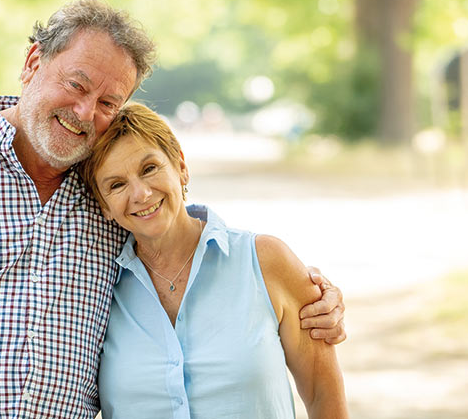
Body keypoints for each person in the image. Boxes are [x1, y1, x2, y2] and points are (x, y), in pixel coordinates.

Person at [0, 0, 346, 419]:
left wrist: (311, 292)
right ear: (32, 63)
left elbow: (180, 235)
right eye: (76, 85)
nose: (84, 112)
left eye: (107, 102)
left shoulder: (103, 191)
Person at [78, 103, 347, 418]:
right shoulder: (98, 289)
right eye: (117, 185)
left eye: (149, 168)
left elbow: (322, 393)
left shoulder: (264, 261)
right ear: (104, 205)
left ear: (181, 167)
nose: (141, 193)